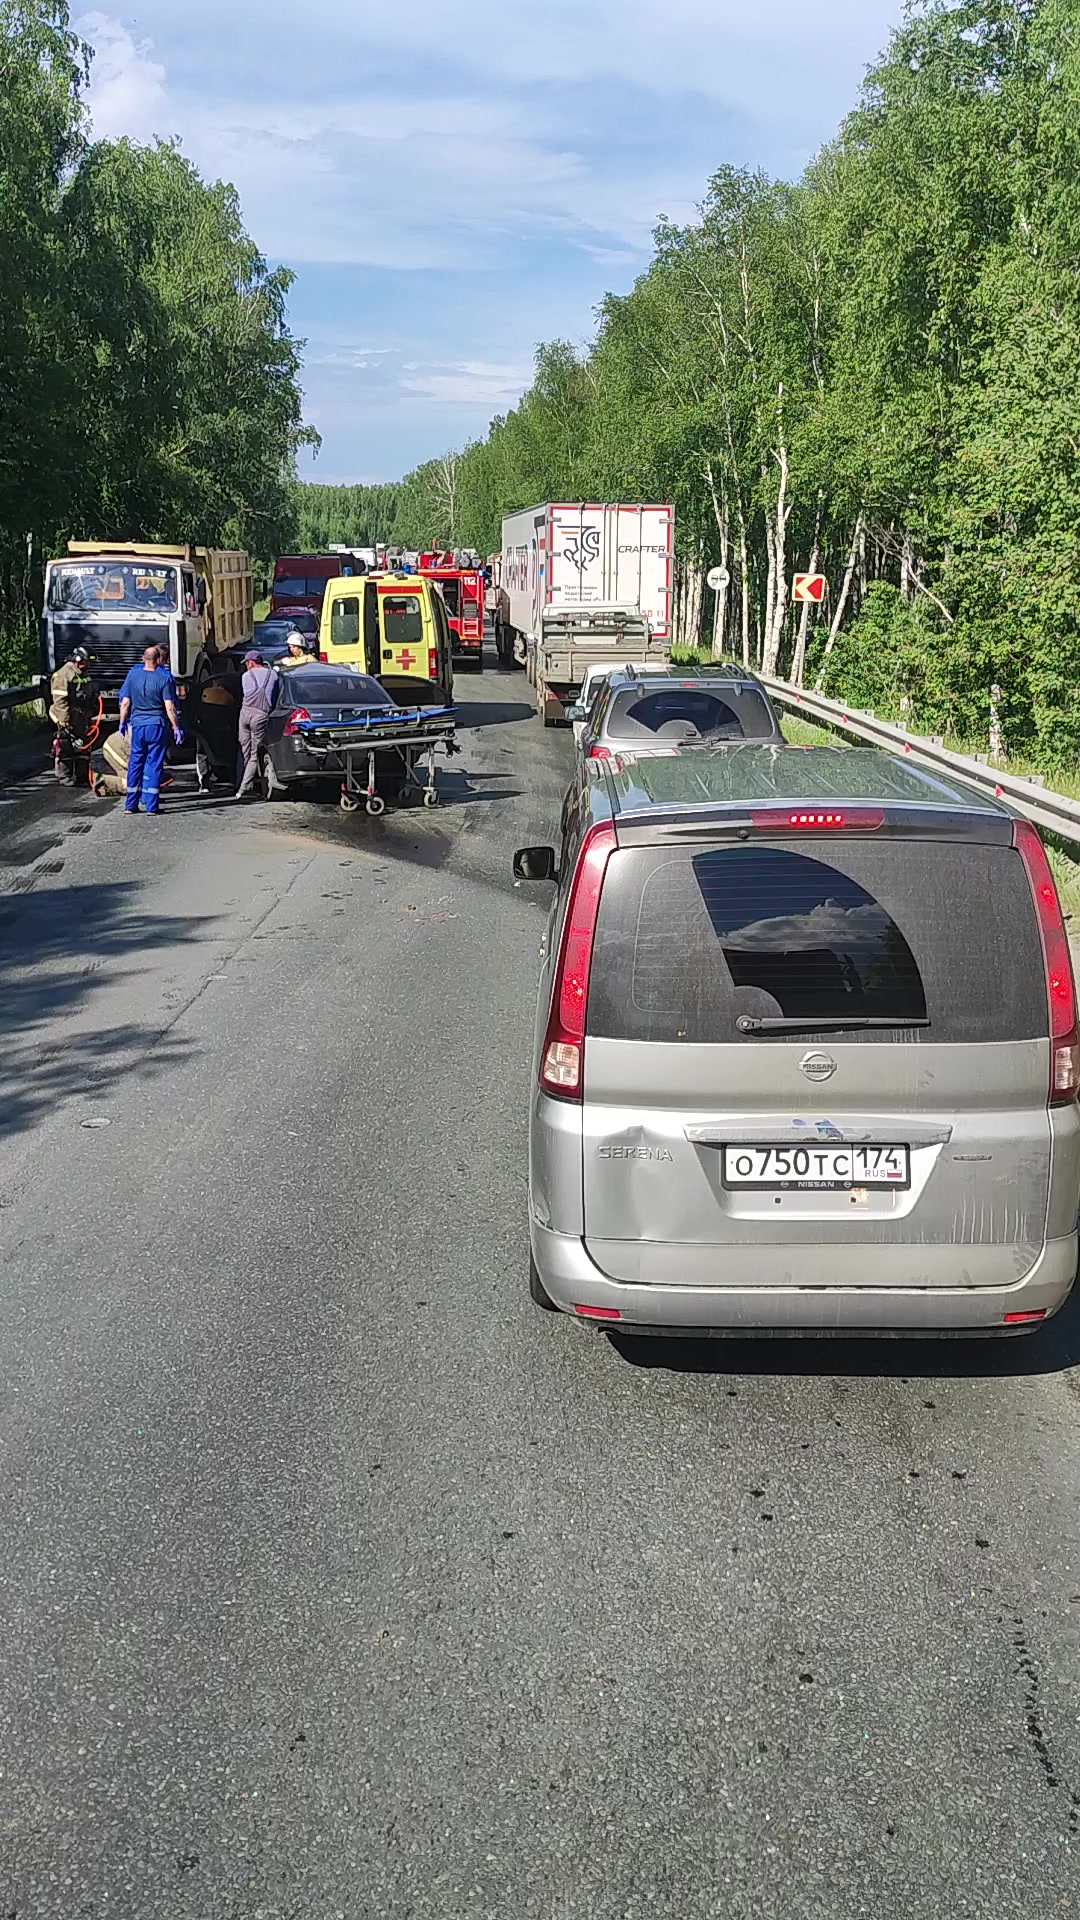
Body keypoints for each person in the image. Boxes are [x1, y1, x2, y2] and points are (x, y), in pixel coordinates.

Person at [117, 645, 182, 815]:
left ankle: (130, 805)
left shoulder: (133, 675)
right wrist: (176, 727)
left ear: (143, 658)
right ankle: (152, 807)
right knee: (154, 765)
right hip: (157, 725)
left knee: (135, 763)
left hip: (137, 725)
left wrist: (122, 722)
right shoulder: (164, 679)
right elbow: (169, 707)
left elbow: (125, 702)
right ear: (157, 660)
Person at [236, 649, 279, 799]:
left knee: (245, 750)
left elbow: (246, 693)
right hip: (261, 715)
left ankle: (244, 784)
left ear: (251, 662)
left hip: (245, 714)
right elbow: (274, 695)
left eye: (247, 663)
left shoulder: (245, 676)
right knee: (255, 754)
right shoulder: (273, 675)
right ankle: (246, 786)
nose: (246, 666)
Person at [49, 646, 93, 783]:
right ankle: (65, 776)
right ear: (78, 660)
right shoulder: (64, 674)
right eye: (86, 661)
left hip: (81, 715)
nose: (88, 665)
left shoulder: (82, 673)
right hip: (67, 716)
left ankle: (82, 776)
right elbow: (60, 700)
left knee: (83, 745)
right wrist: (64, 720)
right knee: (65, 745)